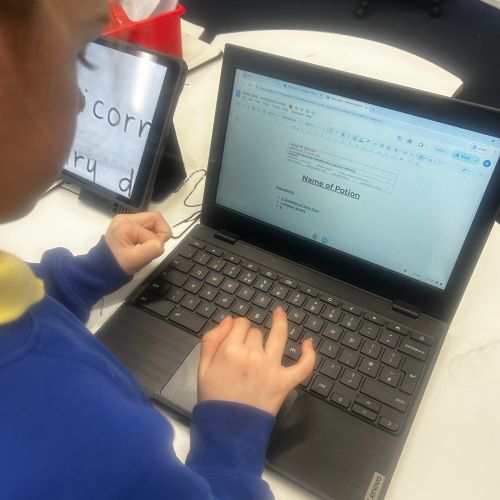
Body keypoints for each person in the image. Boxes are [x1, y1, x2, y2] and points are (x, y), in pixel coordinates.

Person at [0, 1, 316, 499]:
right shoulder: (73, 426)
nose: (82, 100)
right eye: (77, 56)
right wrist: (232, 433)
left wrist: (80, 278)